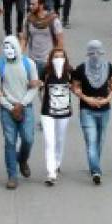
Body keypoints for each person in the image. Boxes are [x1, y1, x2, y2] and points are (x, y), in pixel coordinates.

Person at [0, 35, 40, 189]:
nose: (8, 50)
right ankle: (12, 175)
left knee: (28, 138)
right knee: (10, 142)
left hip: (26, 106)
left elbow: (34, 86)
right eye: (5, 48)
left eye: (11, 47)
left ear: (17, 48)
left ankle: (22, 159)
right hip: (7, 109)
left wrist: (22, 104)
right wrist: (10, 107)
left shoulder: (28, 63)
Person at [71, 40, 112, 184]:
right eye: (92, 52)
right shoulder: (80, 69)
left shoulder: (109, 67)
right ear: (88, 53)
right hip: (87, 110)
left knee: (100, 140)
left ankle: (93, 164)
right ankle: (96, 171)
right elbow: (75, 88)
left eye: (98, 52)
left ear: (102, 52)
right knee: (91, 141)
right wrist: (87, 98)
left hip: (104, 110)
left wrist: (106, 100)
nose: (95, 55)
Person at [39, 46, 73, 185]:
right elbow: (39, 87)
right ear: (51, 58)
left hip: (64, 112)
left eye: (61, 56)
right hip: (47, 112)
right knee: (49, 141)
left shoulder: (70, 71)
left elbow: (77, 85)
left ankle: (57, 162)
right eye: (56, 56)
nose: (58, 59)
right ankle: (51, 171)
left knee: (60, 139)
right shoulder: (45, 71)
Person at [22, 0, 64, 76]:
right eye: (30, 4)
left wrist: (56, 59)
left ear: (41, 5)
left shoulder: (53, 20)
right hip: (32, 61)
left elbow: (60, 42)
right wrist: (19, 55)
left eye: (33, 4)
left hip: (48, 62)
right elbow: (24, 38)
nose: (30, 7)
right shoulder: (29, 19)